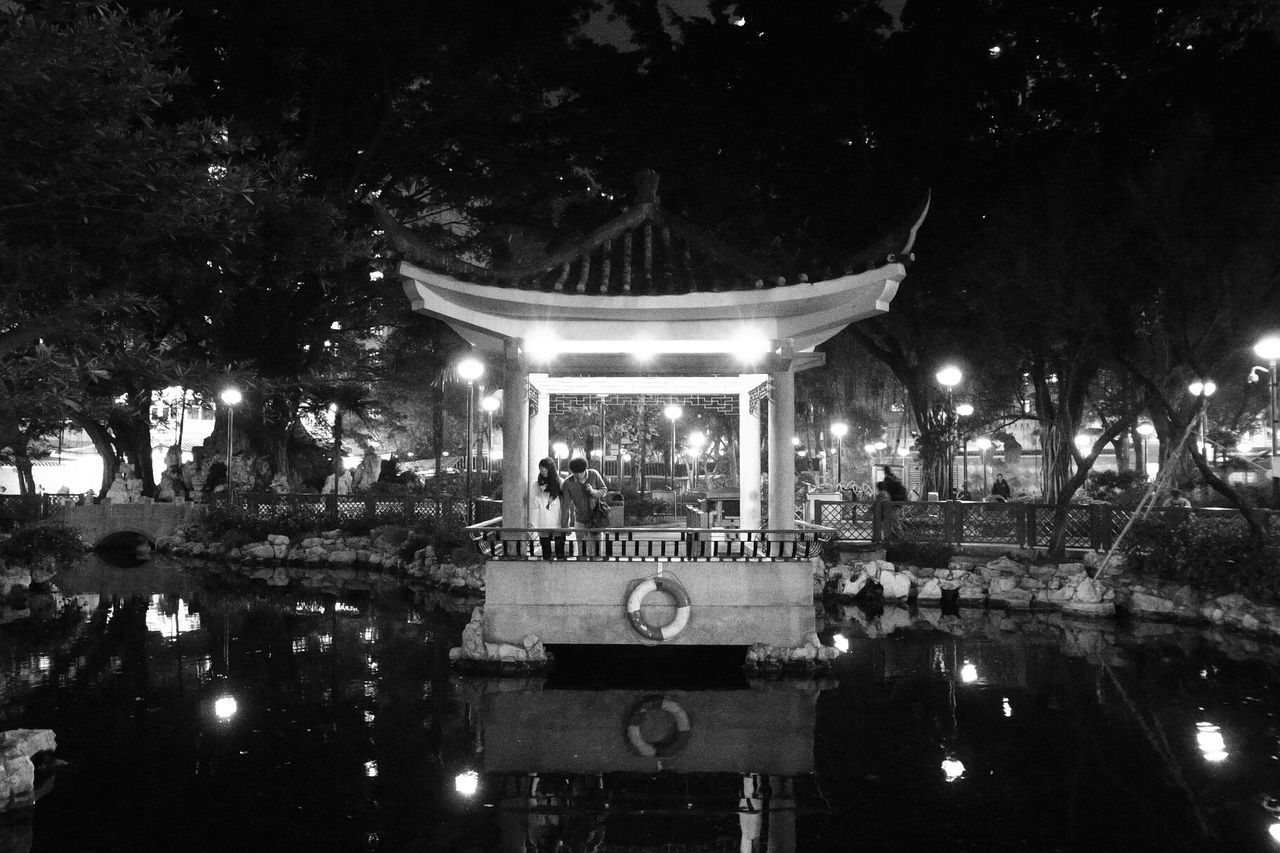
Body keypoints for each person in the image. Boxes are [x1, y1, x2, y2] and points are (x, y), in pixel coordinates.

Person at [561, 457, 607, 558]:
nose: (578, 476)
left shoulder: (593, 474)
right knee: (582, 551)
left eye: (580, 472)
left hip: (596, 519)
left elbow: (604, 490)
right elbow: (565, 505)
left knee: (597, 551)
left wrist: (593, 492)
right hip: (580, 520)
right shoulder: (568, 483)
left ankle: (597, 568)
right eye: (575, 473)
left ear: (585, 469)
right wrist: (565, 526)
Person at [531, 457, 567, 560]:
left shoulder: (560, 482)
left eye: (545, 469)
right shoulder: (536, 484)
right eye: (541, 469)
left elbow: (565, 502)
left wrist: (566, 520)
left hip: (557, 518)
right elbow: (533, 504)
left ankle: (559, 568)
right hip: (543, 519)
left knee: (560, 550)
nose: (543, 471)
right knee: (545, 550)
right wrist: (539, 493)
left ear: (551, 469)